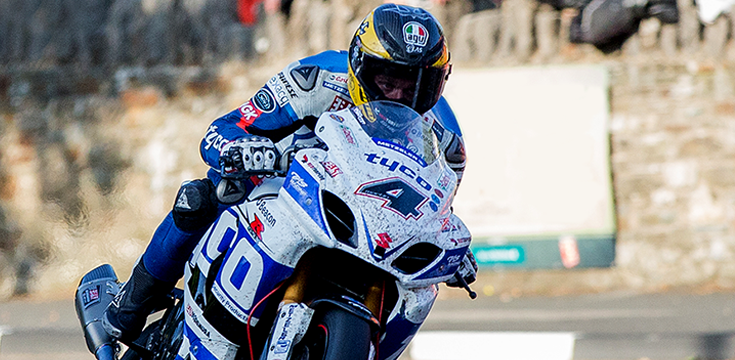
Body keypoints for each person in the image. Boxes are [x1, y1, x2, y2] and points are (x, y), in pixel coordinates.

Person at [105, 3, 477, 342]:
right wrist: (243, 149)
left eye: (412, 85)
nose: (397, 95)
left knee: (421, 286)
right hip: (283, 184)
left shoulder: (446, 141)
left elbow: (437, 207)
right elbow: (224, 128)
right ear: (360, 67)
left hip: (364, 219)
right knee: (206, 196)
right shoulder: (315, 79)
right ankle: (131, 302)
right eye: (387, 80)